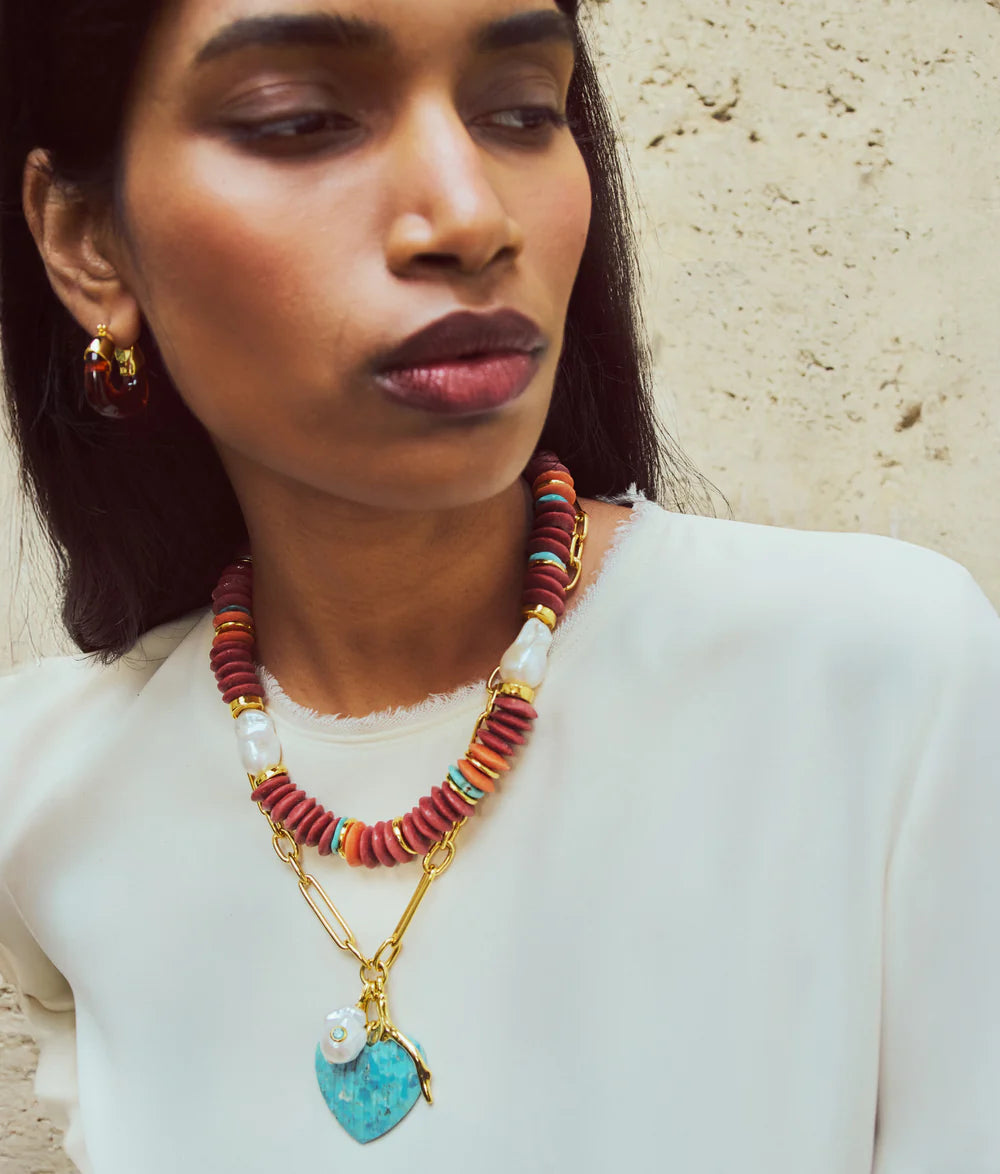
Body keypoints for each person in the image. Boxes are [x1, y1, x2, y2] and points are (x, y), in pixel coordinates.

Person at [1, 0, 997, 1170]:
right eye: (302, 119)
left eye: (524, 110)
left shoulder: (877, 686)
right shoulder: (47, 795)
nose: (470, 215)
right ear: (86, 242)